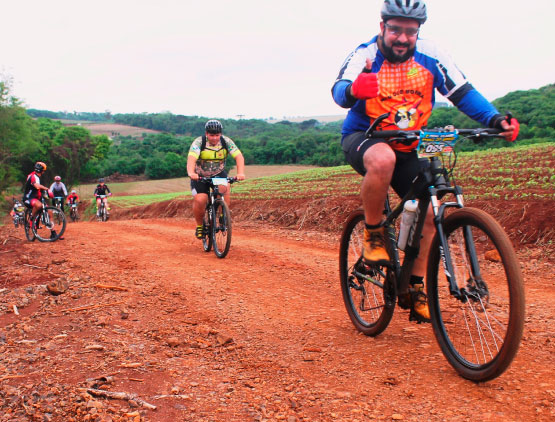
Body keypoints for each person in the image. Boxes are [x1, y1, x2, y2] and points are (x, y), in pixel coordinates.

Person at [331, 0, 519, 323]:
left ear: (418, 32)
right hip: (365, 137)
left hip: (410, 142)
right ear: (382, 28)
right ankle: (374, 234)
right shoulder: (365, 55)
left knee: (433, 206)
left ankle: (414, 286)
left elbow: (462, 92)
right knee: (383, 158)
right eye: (395, 30)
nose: (402, 38)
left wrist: (494, 119)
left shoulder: (431, 56)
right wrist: (354, 91)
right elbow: (339, 89)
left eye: (410, 31)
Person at [187, 119, 246, 239]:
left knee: (225, 188)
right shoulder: (199, 142)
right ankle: (200, 226)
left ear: (221, 134)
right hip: (200, 176)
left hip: (218, 173)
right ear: (206, 133)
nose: (214, 138)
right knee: (201, 199)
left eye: (217, 135)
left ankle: (223, 215)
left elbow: (239, 156)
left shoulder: (226, 141)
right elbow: (191, 159)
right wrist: (191, 173)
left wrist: (240, 173)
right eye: (211, 135)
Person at [22, 162, 59, 239]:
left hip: (36, 198)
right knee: (38, 205)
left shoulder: (35, 176)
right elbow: (37, 186)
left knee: (49, 212)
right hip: (28, 198)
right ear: (42, 171)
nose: (43, 172)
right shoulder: (32, 176)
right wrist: (47, 189)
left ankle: (53, 232)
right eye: (43, 170)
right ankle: (32, 218)